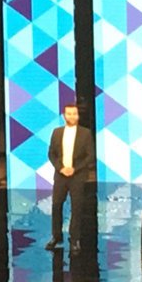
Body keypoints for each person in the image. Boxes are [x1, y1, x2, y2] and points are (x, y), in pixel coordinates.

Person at [45, 103, 94, 256]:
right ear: (64, 115)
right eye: (69, 113)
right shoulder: (57, 132)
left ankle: (75, 240)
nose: (72, 116)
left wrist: (75, 169)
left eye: (74, 114)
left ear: (78, 116)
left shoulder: (85, 133)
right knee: (56, 205)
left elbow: (90, 156)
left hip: (77, 176)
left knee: (77, 207)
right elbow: (51, 154)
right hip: (60, 175)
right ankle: (56, 236)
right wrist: (60, 168)